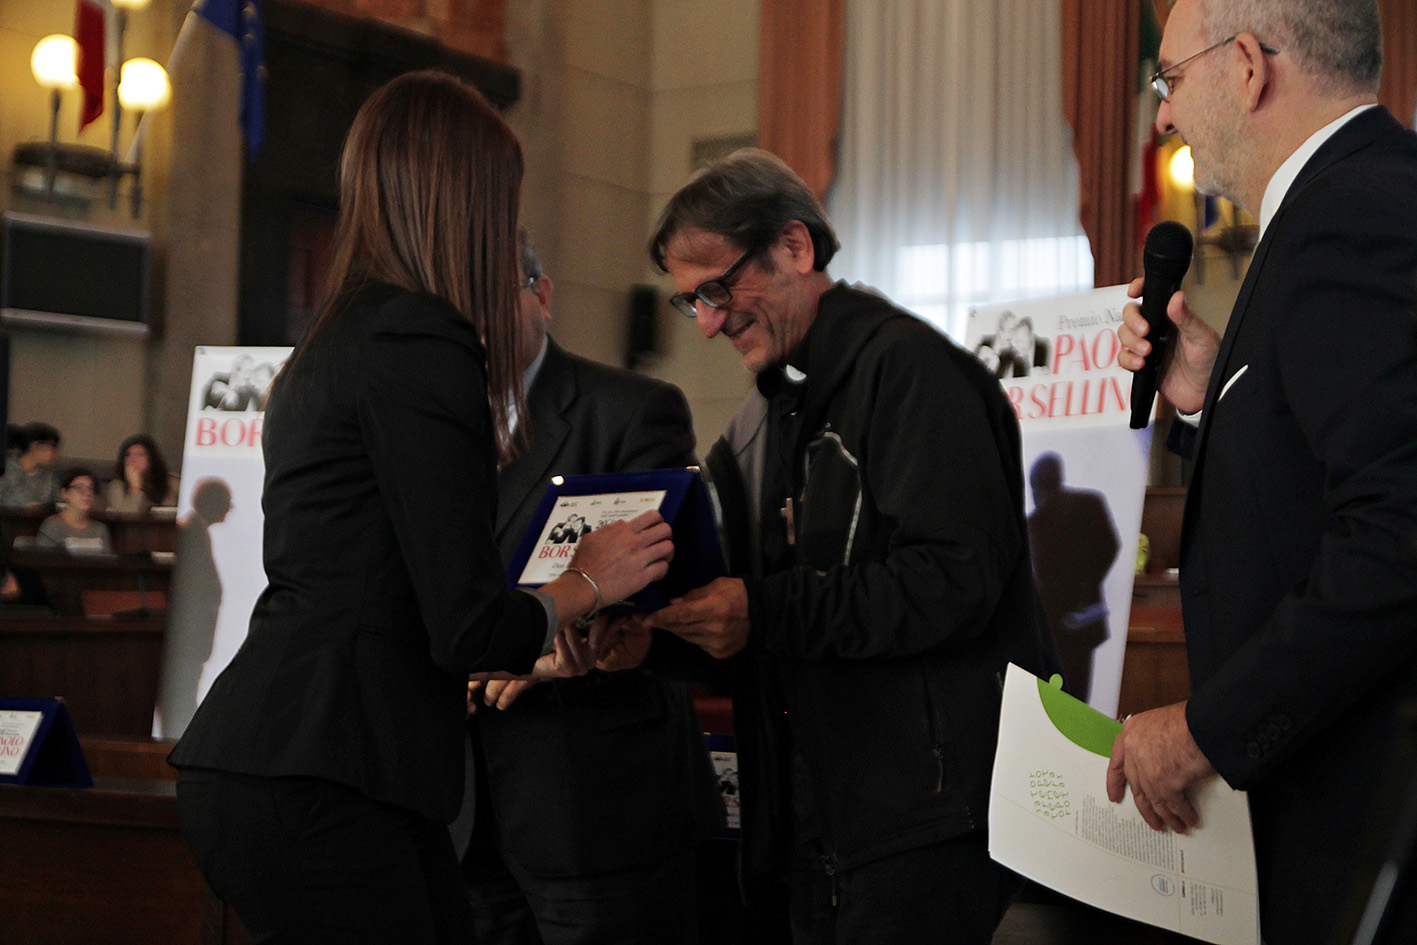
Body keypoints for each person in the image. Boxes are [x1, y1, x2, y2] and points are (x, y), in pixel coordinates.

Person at [166, 71, 674, 945]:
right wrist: (585, 581)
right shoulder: (421, 338)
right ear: (466, 201)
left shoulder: (343, 332)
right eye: (502, 200)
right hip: (323, 768)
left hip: (287, 757)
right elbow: (466, 625)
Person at [642, 149, 1061, 944]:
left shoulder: (909, 369)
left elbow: (954, 578)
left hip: (922, 825)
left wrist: (762, 609)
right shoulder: (766, 415)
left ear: (794, 247)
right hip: (821, 822)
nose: (706, 322)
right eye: (690, 299)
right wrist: (656, 637)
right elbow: (758, 621)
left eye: (719, 289)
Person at [1107, 2, 1417, 943]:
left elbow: (1398, 533)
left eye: (1168, 79)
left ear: (1246, 65)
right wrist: (1213, 396)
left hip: (1366, 819)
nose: (1163, 114)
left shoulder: (1348, 213)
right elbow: (1324, 477)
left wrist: (1206, 729)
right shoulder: (1355, 195)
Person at [458, 231, 722, 945]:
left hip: (597, 804)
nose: (473, 324)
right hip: (460, 810)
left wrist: (540, 641)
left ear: (541, 296)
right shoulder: (425, 429)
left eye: (490, 298)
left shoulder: (631, 409)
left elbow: (667, 587)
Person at [1027, 452, 1120, 703]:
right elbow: (1110, 546)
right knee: (1078, 695)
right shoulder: (1091, 502)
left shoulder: (1036, 522)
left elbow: (1041, 574)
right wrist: (1087, 584)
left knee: (1057, 699)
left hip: (1057, 621)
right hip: (1080, 616)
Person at [36, 469, 111, 555]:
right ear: (64, 493)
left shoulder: (100, 529)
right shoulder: (52, 526)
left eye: (91, 488)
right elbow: (44, 560)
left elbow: (108, 561)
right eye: (79, 488)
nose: (87, 493)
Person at [105, 434, 177, 513]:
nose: (132, 460)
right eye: (128, 455)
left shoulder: (170, 482)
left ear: (151, 459)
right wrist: (135, 489)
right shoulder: (117, 486)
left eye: (139, 455)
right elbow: (126, 516)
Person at [0, 422, 61, 510]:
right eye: (53, 448)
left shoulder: (48, 475)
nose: (55, 454)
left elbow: (57, 502)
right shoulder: (6, 469)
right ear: (36, 446)